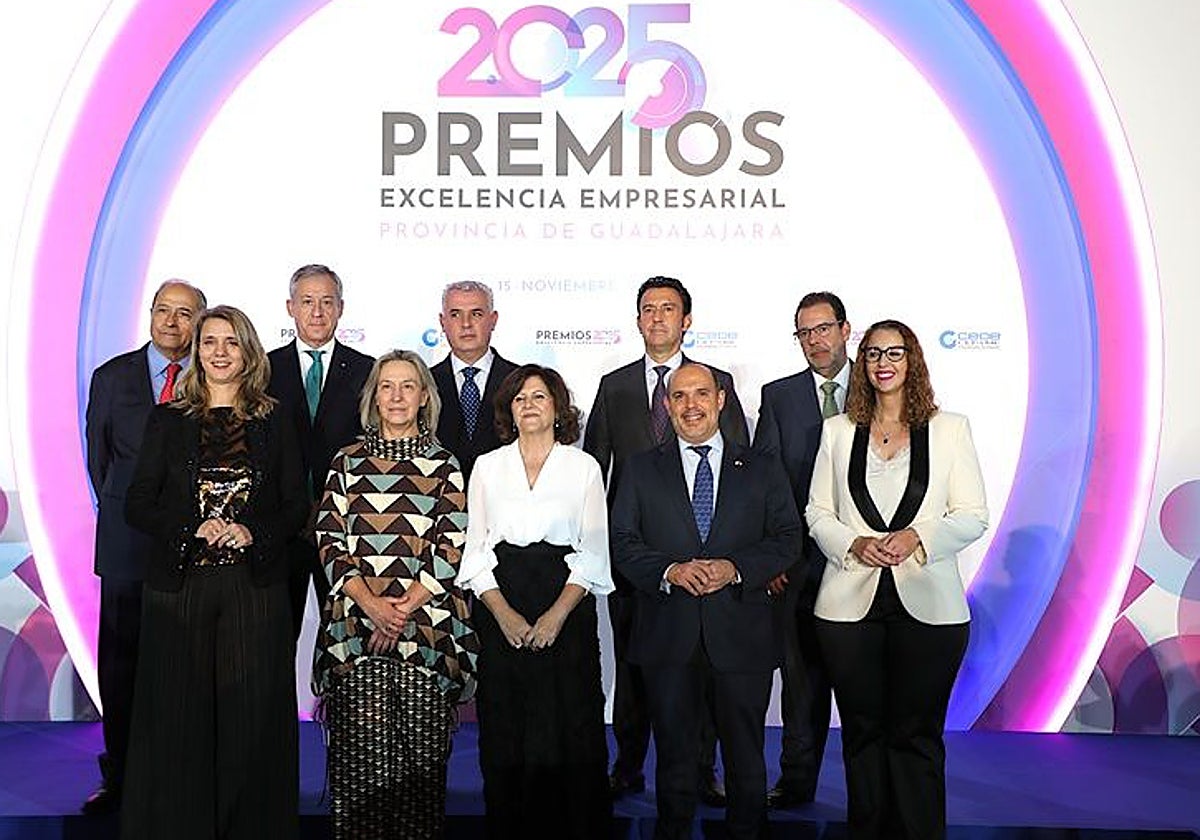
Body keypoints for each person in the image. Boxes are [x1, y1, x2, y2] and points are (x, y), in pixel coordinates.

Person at [121, 305, 308, 839]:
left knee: (251, 724)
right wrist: (190, 529)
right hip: (180, 588)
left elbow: (296, 505)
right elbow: (138, 503)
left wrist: (254, 532)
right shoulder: (167, 420)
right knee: (181, 722)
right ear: (196, 352)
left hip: (253, 588)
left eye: (230, 342)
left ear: (248, 351)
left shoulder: (276, 419)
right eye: (209, 342)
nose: (219, 352)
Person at [807, 319, 988, 839]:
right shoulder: (837, 432)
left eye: (895, 352)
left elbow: (973, 514)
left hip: (930, 608)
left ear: (913, 361)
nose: (883, 362)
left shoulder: (951, 428)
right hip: (847, 609)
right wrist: (854, 544)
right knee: (862, 733)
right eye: (872, 354)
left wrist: (918, 538)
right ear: (861, 364)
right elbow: (818, 512)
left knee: (917, 734)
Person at [610, 362, 801, 840]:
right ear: (667, 405)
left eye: (701, 394)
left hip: (741, 637)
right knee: (673, 761)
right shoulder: (638, 468)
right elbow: (623, 543)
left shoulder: (762, 466)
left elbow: (786, 539)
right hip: (667, 638)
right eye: (679, 396)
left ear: (720, 400)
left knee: (745, 760)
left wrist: (734, 568)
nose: (690, 405)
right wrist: (670, 570)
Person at [584, 275, 748, 804]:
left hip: (706, 553)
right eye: (648, 310)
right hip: (636, 560)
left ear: (687, 319)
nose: (658, 318)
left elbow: (743, 467)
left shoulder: (717, 380)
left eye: (668, 309)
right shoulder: (615, 385)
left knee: (702, 671)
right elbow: (595, 471)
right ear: (637, 321)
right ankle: (628, 766)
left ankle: (703, 771)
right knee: (634, 667)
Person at [312, 349, 479, 839]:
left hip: (424, 635)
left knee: (419, 782)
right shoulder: (347, 461)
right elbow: (328, 537)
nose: (397, 396)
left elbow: (451, 544)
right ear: (373, 396)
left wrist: (400, 611)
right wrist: (371, 606)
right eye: (387, 386)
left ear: (425, 396)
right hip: (356, 631)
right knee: (359, 777)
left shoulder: (444, 465)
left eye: (408, 386)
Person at [458, 364, 614, 839]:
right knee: (506, 726)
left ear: (558, 407)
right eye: (520, 397)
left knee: (570, 725)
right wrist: (503, 615)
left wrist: (554, 616)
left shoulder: (583, 466)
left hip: (565, 607)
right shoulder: (487, 465)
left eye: (539, 397)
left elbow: (594, 553)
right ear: (509, 408)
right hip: (501, 605)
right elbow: (475, 550)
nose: (529, 404)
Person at [82, 279, 206, 814]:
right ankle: (123, 776)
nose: (171, 322)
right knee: (121, 661)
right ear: (149, 314)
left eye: (184, 314)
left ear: (199, 322)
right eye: (163, 310)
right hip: (127, 542)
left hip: (194, 544)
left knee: (187, 663)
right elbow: (100, 460)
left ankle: (180, 775)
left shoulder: (212, 376)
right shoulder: (111, 377)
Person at [751, 291, 851, 808]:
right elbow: (768, 484)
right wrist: (774, 559)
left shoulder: (882, 386)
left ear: (845, 329)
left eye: (823, 329)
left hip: (867, 565)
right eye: (804, 332)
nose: (815, 340)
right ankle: (796, 781)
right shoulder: (779, 395)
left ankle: (871, 784)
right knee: (800, 681)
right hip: (798, 565)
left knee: (861, 683)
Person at [268, 263, 374, 640]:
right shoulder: (262, 368)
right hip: (281, 530)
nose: (317, 312)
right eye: (307, 301)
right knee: (276, 639)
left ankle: (342, 703)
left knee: (346, 640)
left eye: (327, 302)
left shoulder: (368, 371)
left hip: (346, 532)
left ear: (341, 308)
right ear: (289, 307)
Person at [430, 280, 519, 484]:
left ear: (493, 319)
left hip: (506, 501)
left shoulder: (521, 382)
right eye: (455, 314)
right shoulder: (423, 383)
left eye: (476, 314)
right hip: (439, 505)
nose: (466, 323)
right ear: (442, 322)